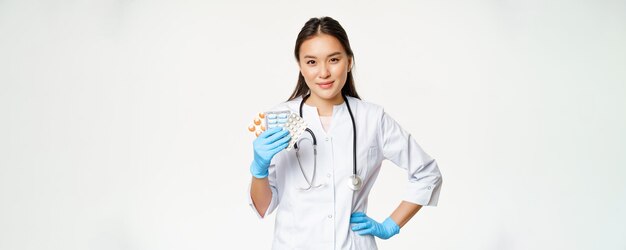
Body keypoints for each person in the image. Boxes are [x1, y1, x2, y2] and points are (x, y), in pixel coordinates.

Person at [247, 16, 442, 250]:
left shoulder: (372, 118)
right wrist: (259, 169)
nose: (324, 72)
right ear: (300, 66)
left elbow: (427, 173)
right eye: (311, 62)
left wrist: (391, 225)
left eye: (334, 59)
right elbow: (262, 207)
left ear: (349, 62)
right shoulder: (280, 119)